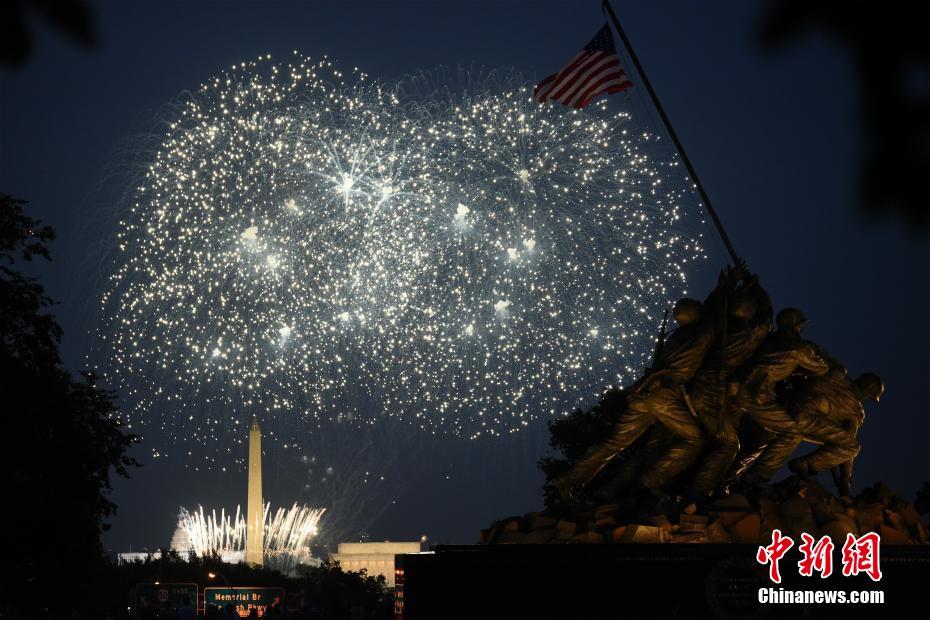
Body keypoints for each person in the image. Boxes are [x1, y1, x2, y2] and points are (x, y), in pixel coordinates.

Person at [553, 266, 736, 500]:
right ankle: (654, 480)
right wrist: (724, 288)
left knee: (614, 443)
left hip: (644, 393)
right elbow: (713, 314)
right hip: (664, 395)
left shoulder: (676, 337)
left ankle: (570, 479)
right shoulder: (701, 334)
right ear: (695, 314)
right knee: (694, 439)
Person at [686, 270, 773, 498]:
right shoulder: (746, 333)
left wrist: (729, 286)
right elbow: (767, 318)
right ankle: (697, 493)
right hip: (710, 389)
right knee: (728, 444)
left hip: (705, 385)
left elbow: (711, 308)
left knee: (714, 438)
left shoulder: (716, 326)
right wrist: (756, 286)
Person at [731, 307, 830, 486]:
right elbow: (821, 368)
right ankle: (755, 479)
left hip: (741, 387)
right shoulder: (798, 348)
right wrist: (816, 354)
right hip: (757, 395)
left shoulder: (769, 339)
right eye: (799, 327)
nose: (801, 330)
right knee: (792, 434)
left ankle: (725, 480)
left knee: (758, 440)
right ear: (793, 327)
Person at [786, 371, 883, 496]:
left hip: (787, 403)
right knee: (853, 447)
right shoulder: (856, 411)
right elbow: (845, 447)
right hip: (804, 419)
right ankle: (803, 464)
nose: (867, 400)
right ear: (867, 392)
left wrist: (835, 475)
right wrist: (845, 480)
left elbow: (830, 443)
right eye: (870, 397)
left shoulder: (838, 375)